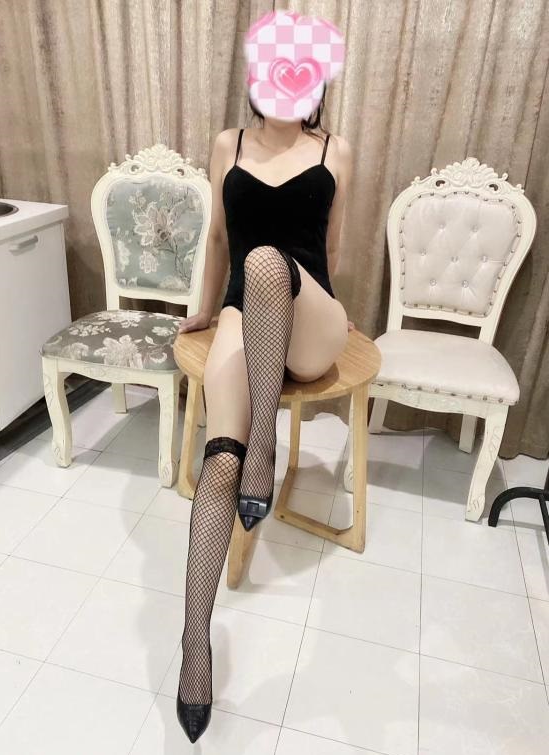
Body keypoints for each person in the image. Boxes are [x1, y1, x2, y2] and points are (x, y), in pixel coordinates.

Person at [174, 83, 354, 743]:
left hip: (310, 319)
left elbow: (332, 252)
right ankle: (195, 643)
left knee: (270, 264)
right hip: (239, 315)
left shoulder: (336, 150)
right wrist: (204, 308)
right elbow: (219, 238)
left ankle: (266, 443)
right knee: (221, 460)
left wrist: (335, 315)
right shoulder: (229, 144)